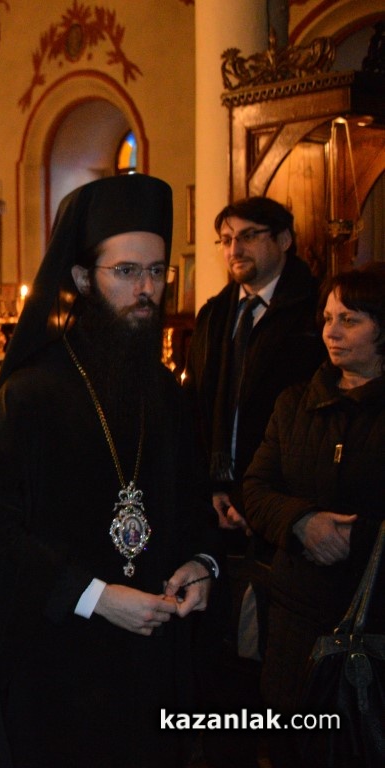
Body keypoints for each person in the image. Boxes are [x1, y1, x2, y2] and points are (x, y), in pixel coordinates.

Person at [0, 174, 218, 768]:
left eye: (156, 272)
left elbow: (195, 509)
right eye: (126, 271)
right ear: (83, 279)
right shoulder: (31, 394)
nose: (146, 290)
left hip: (152, 670)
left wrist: (202, 565)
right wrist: (95, 596)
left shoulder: (167, 394)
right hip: (59, 669)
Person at [183, 196, 325, 766]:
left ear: (284, 240)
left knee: (281, 663)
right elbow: (199, 408)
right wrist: (213, 487)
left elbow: (311, 421)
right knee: (223, 657)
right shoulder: (217, 313)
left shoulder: (314, 313)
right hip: (218, 505)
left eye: (248, 236)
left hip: (284, 505)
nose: (233, 248)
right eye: (225, 238)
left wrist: (255, 497)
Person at [243, 265, 385, 766]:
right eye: (327, 318)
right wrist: (303, 522)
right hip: (296, 626)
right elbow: (255, 489)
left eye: (350, 319)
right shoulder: (295, 404)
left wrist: (359, 539)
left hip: (374, 618)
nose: (332, 332)